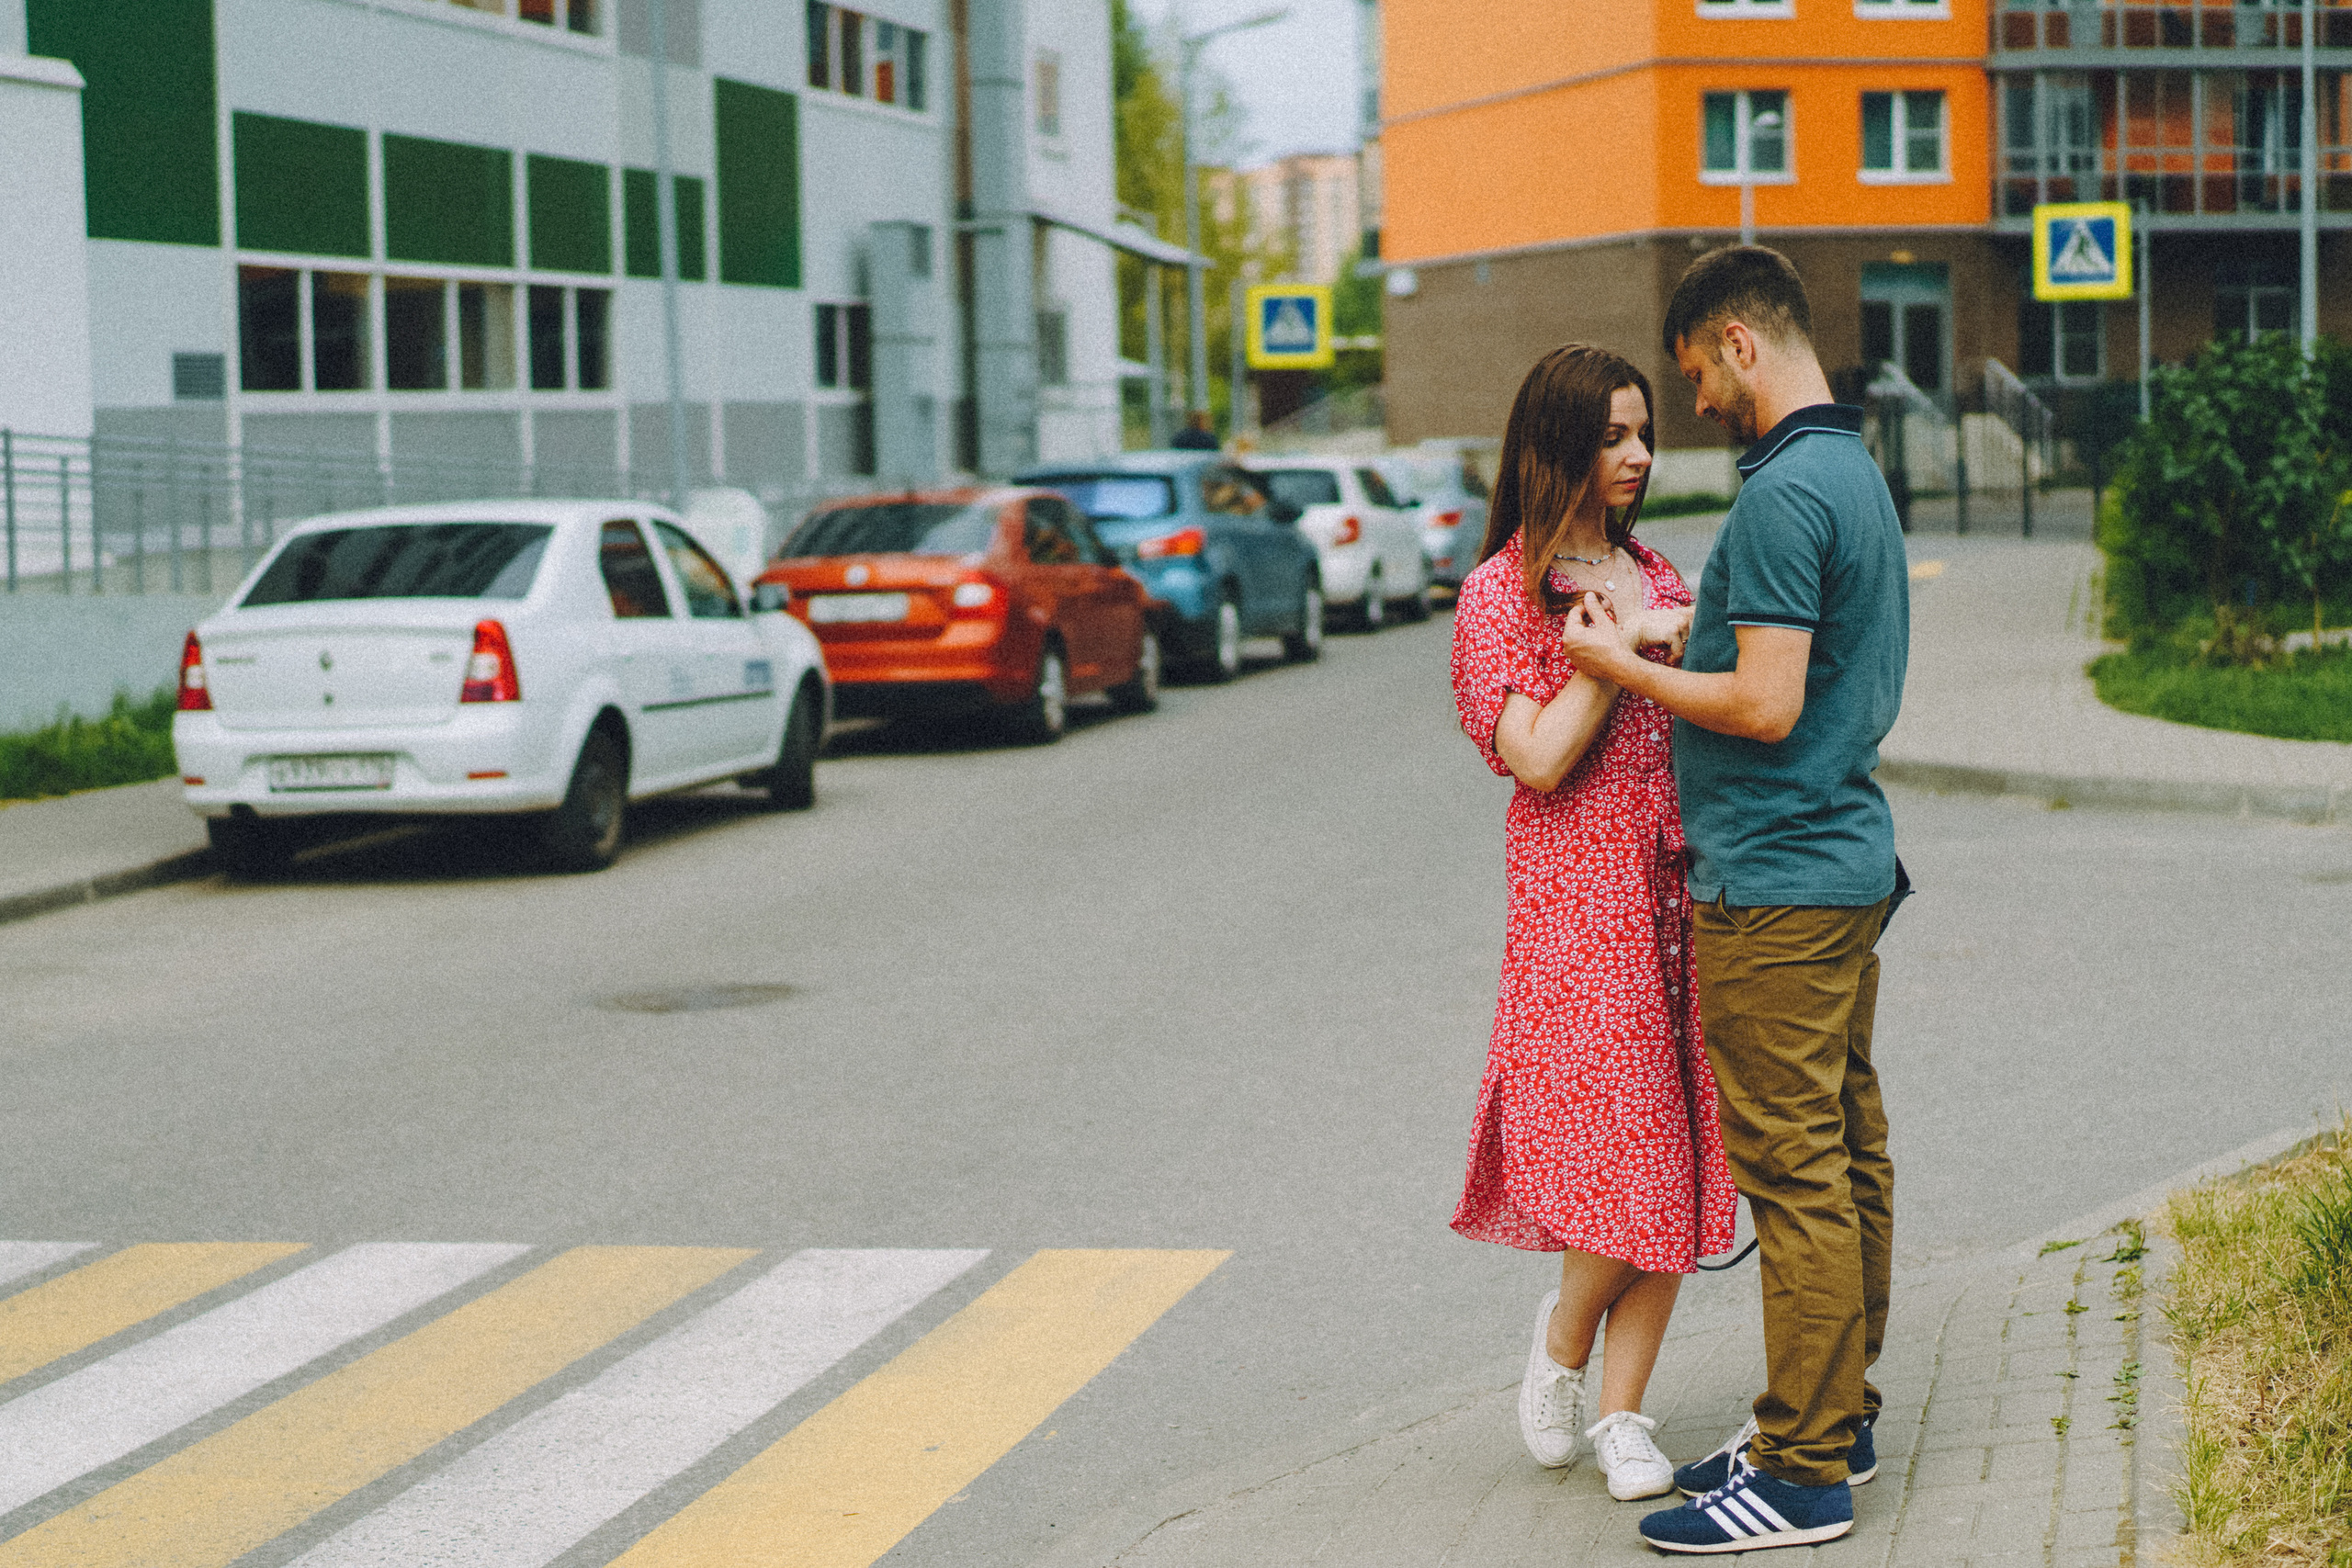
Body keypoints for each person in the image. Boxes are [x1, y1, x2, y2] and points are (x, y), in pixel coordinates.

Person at [1555, 247, 1908, 1554]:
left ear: (1740, 346)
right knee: (1848, 1149)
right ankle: (1838, 1415)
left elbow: (1763, 702)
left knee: (1796, 1170)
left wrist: (1610, 659)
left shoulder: (1776, 495)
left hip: (1773, 884)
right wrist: (1677, 629)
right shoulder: (1849, 470)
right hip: (1844, 864)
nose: (1695, 401)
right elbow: (1786, 644)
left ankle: (1807, 1471)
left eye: (1698, 372)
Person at [1449, 344, 1741, 1503]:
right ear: (1553, 447)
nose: (1637, 456)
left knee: (1679, 1158)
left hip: (1680, 894)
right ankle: (1564, 1338)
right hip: (1580, 909)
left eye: (1644, 433)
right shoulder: (1497, 598)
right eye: (1613, 436)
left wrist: (1650, 635)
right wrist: (1613, 661)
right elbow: (1536, 754)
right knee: (1623, 1152)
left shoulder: (1653, 569)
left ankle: (1624, 1413)